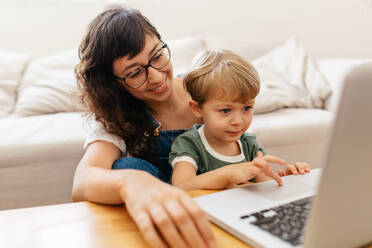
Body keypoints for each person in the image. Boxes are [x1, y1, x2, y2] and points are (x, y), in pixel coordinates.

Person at [72, 6, 215, 248]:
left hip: (216, 196)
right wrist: (132, 182)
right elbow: (82, 183)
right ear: (114, 84)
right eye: (135, 72)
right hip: (160, 218)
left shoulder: (205, 89)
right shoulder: (116, 117)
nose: (157, 77)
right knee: (125, 167)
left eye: (157, 56)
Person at [170, 50, 310, 190]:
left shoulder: (249, 144)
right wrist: (227, 175)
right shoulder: (189, 144)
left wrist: (285, 179)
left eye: (247, 108)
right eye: (225, 110)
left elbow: (264, 185)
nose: (238, 121)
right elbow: (181, 186)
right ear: (197, 108)